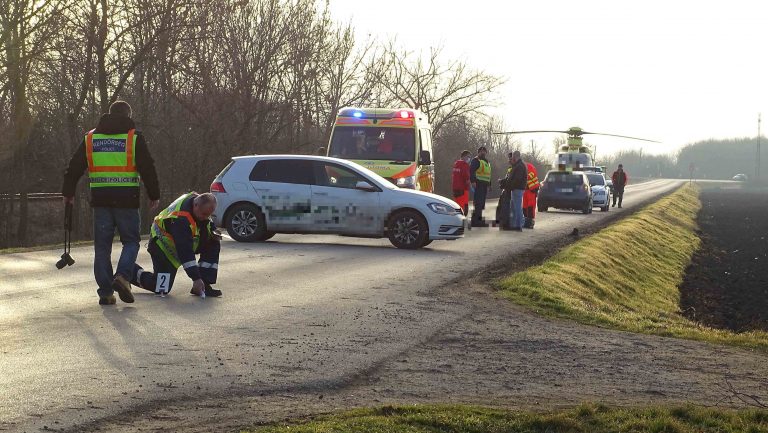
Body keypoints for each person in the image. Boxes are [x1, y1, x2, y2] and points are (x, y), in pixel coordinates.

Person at [62, 100, 160, 306]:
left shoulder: (90, 138)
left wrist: (68, 192)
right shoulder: (133, 138)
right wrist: (154, 193)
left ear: (109, 114)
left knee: (102, 247)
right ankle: (123, 276)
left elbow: (74, 166)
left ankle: (106, 293)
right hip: (127, 200)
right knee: (131, 241)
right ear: (128, 114)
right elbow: (147, 167)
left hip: (101, 200)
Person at [130, 192, 222, 297]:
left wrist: (214, 230)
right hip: (162, 246)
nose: (206, 217)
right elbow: (185, 252)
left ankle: (204, 285)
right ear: (195, 205)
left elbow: (207, 222)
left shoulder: (198, 200)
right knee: (161, 288)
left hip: (180, 243)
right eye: (204, 214)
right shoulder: (181, 220)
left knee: (213, 241)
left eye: (209, 215)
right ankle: (129, 270)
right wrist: (196, 278)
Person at [500, 151, 527, 231]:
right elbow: (512, 178)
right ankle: (515, 225)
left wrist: (509, 186)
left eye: (513, 156)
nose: (512, 158)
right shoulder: (518, 165)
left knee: (517, 208)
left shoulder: (519, 166)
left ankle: (518, 226)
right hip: (516, 189)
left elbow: (517, 179)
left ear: (516, 156)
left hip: (517, 189)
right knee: (514, 208)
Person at [469, 146, 491, 227]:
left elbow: (488, 174)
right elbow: (471, 171)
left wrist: (489, 185)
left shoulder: (486, 162)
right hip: (478, 184)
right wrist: (473, 181)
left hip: (484, 185)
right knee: (478, 202)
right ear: (478, 152)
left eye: (484, 151)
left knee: (481, 203)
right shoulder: (476, 160)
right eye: (481, 151)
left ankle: (478, 220)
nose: (483, 152)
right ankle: (476, 221)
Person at [451, 150, 472, 216]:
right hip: (463, 189)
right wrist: (470, 186)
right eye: (468, 157)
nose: (469, 159)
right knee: (464, 206)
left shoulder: (456, 164)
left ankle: (456, 219)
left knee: (457, 205)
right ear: (464, 156)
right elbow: (466, 177)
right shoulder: (464, 165)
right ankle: (462, 221)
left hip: (455, 188)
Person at [522, 161, 540, 228]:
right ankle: (526, 221)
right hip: (526, 189)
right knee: (525, 206)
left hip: (532, 189)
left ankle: (530, 222)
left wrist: (523, 177)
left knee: (530, 206)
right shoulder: (521, 167)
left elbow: (532, 174)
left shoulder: (529, 166)